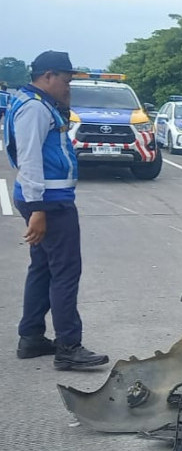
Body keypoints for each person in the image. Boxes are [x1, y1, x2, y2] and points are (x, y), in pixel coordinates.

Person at [4, 50, 109, 370]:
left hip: (45, 199)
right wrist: (37, 209)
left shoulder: (36, 103)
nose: (68, 87)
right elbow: (30, 158)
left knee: (43, 268)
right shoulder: (35, 109)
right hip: (49, 202)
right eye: (66, 81)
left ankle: (32, 337)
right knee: (65, 272)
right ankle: (68, 347)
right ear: (47, 76)